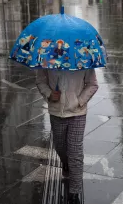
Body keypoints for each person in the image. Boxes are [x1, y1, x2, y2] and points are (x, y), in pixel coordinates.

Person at [36, 69, 98, 204]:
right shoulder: (47, 57)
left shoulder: (84, 57)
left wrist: (79, 101)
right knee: (60, 146)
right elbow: (41, 81)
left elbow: (92, 84)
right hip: (56, 112)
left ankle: (74, 192)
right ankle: (66, 162)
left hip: (78, 113)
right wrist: (49, 94)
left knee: (75, 152)